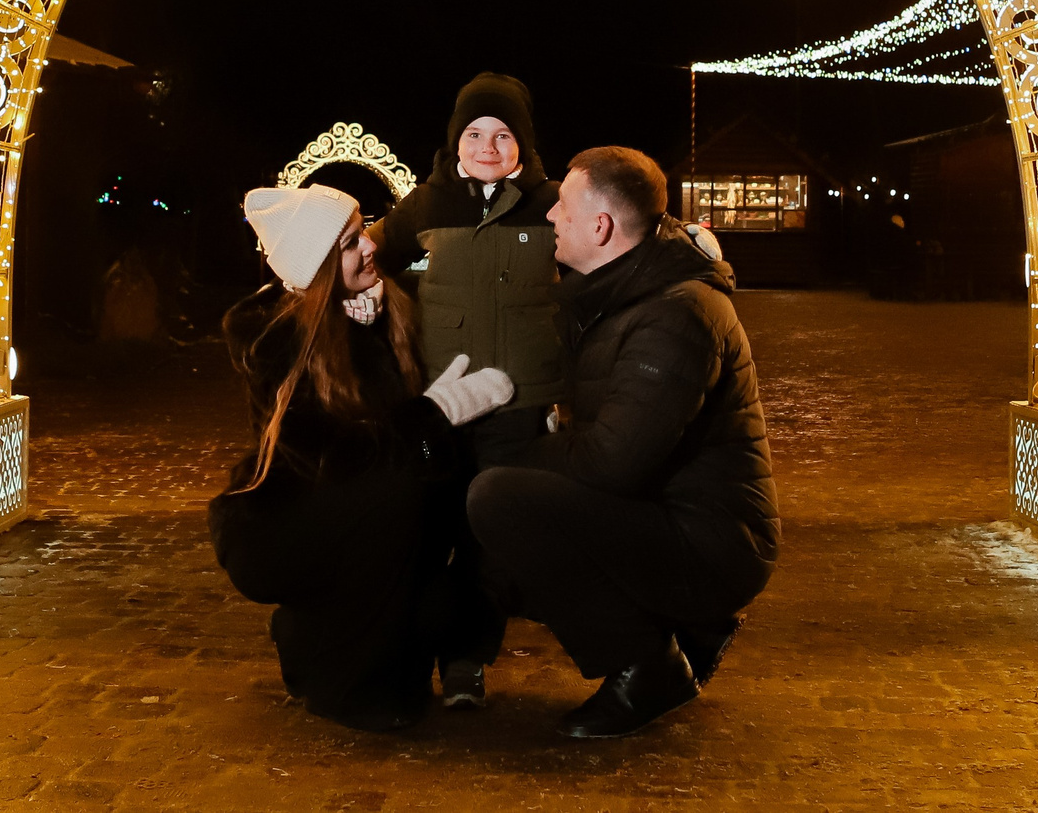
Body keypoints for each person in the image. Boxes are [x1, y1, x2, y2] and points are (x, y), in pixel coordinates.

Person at [468, 145, 780, 739]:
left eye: (562, 206)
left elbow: (613, 462)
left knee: (500, 498)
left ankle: (646, 666)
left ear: (601, 226)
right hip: (672, 519)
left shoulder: (677, 314)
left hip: (712, 543)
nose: (551, 218)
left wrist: (509, 458)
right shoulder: (616, 297)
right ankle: (683, 635)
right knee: (501, 535)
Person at [208, 183, 516, 733]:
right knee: (392, 492)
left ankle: (332, 643)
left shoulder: (394, 310)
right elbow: (332, 457)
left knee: (445, 578)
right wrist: (431, 417)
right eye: (350, 243)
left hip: (383, 529)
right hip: (294, 523)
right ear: (320, 265)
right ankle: (338, 671)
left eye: (365, 229)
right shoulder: (275, 340)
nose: (370, 246)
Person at [367, 71, 567, 706]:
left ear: (524, 145)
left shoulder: (552, 203)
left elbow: (622, 236)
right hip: (442, 401)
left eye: (503, 134)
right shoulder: (427, 204)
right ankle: (408, 650)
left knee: (490, 536)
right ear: (455, 141)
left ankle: (466, 661)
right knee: (429, 523)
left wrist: (691, 243)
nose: (488, 146)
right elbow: (366, 256)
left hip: (519, 401)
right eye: (475, 133)